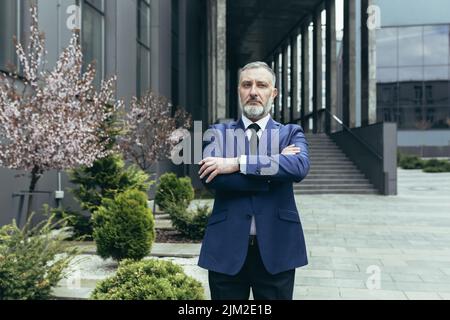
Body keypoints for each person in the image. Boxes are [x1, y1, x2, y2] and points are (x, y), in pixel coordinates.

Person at [197, 61, 310, 300]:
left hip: (277, 249)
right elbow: (213, 178)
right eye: (247, 85)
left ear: (274, 93)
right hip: (226, 249)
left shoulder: (290, 133)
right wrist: (274, 170)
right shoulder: (218, 133)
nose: (254, 92)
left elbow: (298, 167)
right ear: (239, 90)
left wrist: (237, 163)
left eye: (261, 85)